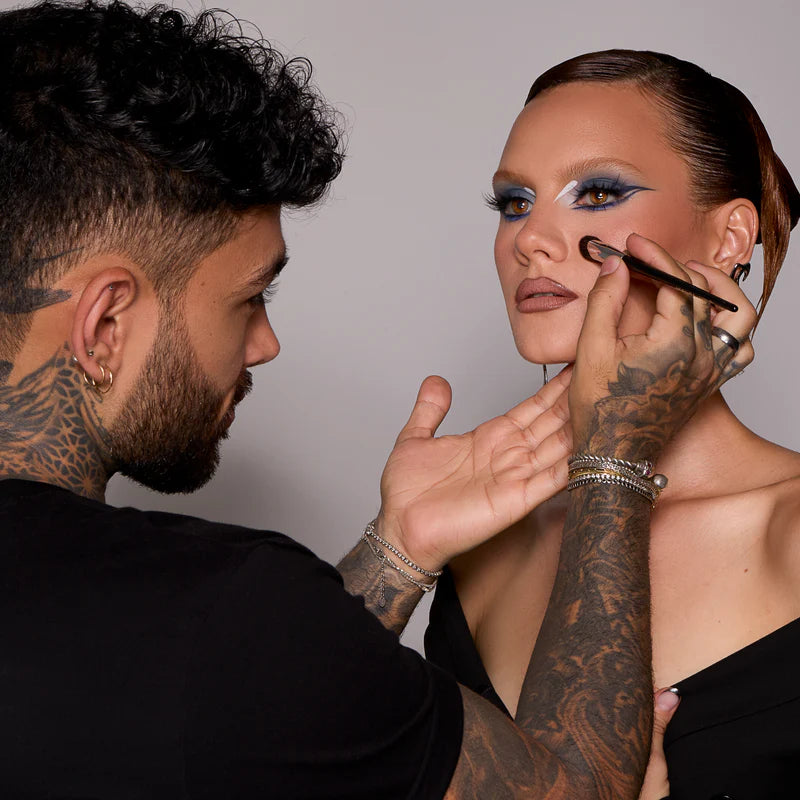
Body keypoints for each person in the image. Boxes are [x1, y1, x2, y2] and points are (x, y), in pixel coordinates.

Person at [0, 5, 750, 796]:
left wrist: (397, 549)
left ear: (731, 236)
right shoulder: (223, 611)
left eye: (596, 192)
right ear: (105, 325)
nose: (265, 343)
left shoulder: (184, 636)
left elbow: (235, 708)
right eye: (249, 299)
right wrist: (616, 456)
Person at [422, 50, 800, 799]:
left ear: (729, 239)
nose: (530, 238)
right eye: (515, 202)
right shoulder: (482, 546)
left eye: (597, 193)